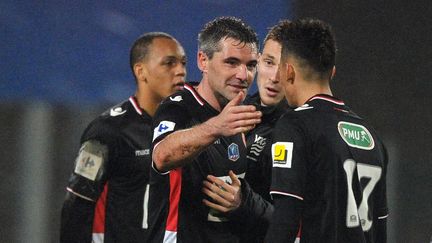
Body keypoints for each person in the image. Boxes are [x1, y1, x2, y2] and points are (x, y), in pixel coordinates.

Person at [265, 18, 389, 242]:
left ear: (289, 72)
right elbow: (380, 228)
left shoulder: (294, 125)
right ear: (332, 72)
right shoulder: (371, 135)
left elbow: (286, 218)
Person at [60, 32, 187, 243]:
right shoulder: (108, 132)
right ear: (141, 71)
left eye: (183, 63)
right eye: (169, 63)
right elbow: (77, 204)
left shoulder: (188, 127)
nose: (180, 71)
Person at [147, 16, 262, 243]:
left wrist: (241, 203)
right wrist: (216, 127)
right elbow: (161, 156)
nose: (243, 75)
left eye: (250, 65)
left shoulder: (241, 114)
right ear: (203, 61)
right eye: (231, 62)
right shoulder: (178, 106)